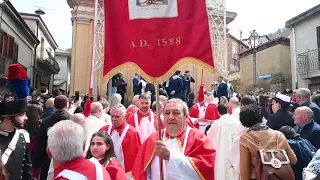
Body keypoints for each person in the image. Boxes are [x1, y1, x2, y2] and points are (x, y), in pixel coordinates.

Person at [132, 98, 216, 180]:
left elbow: (206, 169)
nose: (171, 117)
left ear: (186, 117)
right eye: (167, 113)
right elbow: (141, 171)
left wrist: (171, 157)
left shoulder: (198, 139)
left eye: (176, 113)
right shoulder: (154, 139)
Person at [239, 104, 297, 180]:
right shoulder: (279, 135)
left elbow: (244, 167)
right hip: (279, 177)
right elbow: (293, 160)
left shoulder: (246, 138)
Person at [32, 95, 71, 180]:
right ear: (67, 105)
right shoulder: (72, 120)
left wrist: (36, 163)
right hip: (68, 161)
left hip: (48, 160)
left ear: (54, 106)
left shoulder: (45, 122)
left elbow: (40, 144)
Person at [100, 104, 141, 179]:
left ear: (125, 117)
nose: (114, 119)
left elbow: (137, 156)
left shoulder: (132, 133)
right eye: (112, 116)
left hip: (125, 174)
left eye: (117, 117)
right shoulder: (104, 130)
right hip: (105, 171)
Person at [0, 99, 32, 180]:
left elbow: (27, 169)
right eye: (22, 114)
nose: (26, 118)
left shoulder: (22, 137)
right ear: (8, 117)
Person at [207, 104, 240, 180]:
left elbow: (209, 136)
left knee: (222, 170)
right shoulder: (237, 121)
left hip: (221, 149)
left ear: (218, 112)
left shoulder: (217, 123)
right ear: (227, 110)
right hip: (234, 150)